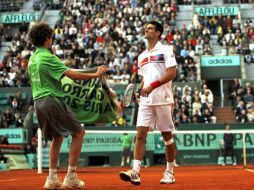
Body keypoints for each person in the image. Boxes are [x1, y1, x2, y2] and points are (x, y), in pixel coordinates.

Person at [27, 22, 107, 190]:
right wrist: (96, 74)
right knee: (79, 132)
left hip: (38, 103)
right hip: (52, 100)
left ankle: (51, 178)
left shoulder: (32, 58)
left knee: (57, 138)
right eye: (51, 38)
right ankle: (71, 177)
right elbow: (72, 75)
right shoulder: (48, 57)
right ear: (47, 38)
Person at [119, 20, 177, 185]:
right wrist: (140, 90)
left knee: (167, 137)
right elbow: (144, 79)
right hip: (146, 100)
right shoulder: (141, 56)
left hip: (163, 99)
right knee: (140, 135)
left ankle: (169, 172)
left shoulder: (166, 50)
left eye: (150, 28)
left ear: (158, 33)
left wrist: (152, 86)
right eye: (145, 28)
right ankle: (135, 172)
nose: (146, 29)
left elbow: (171, 73)